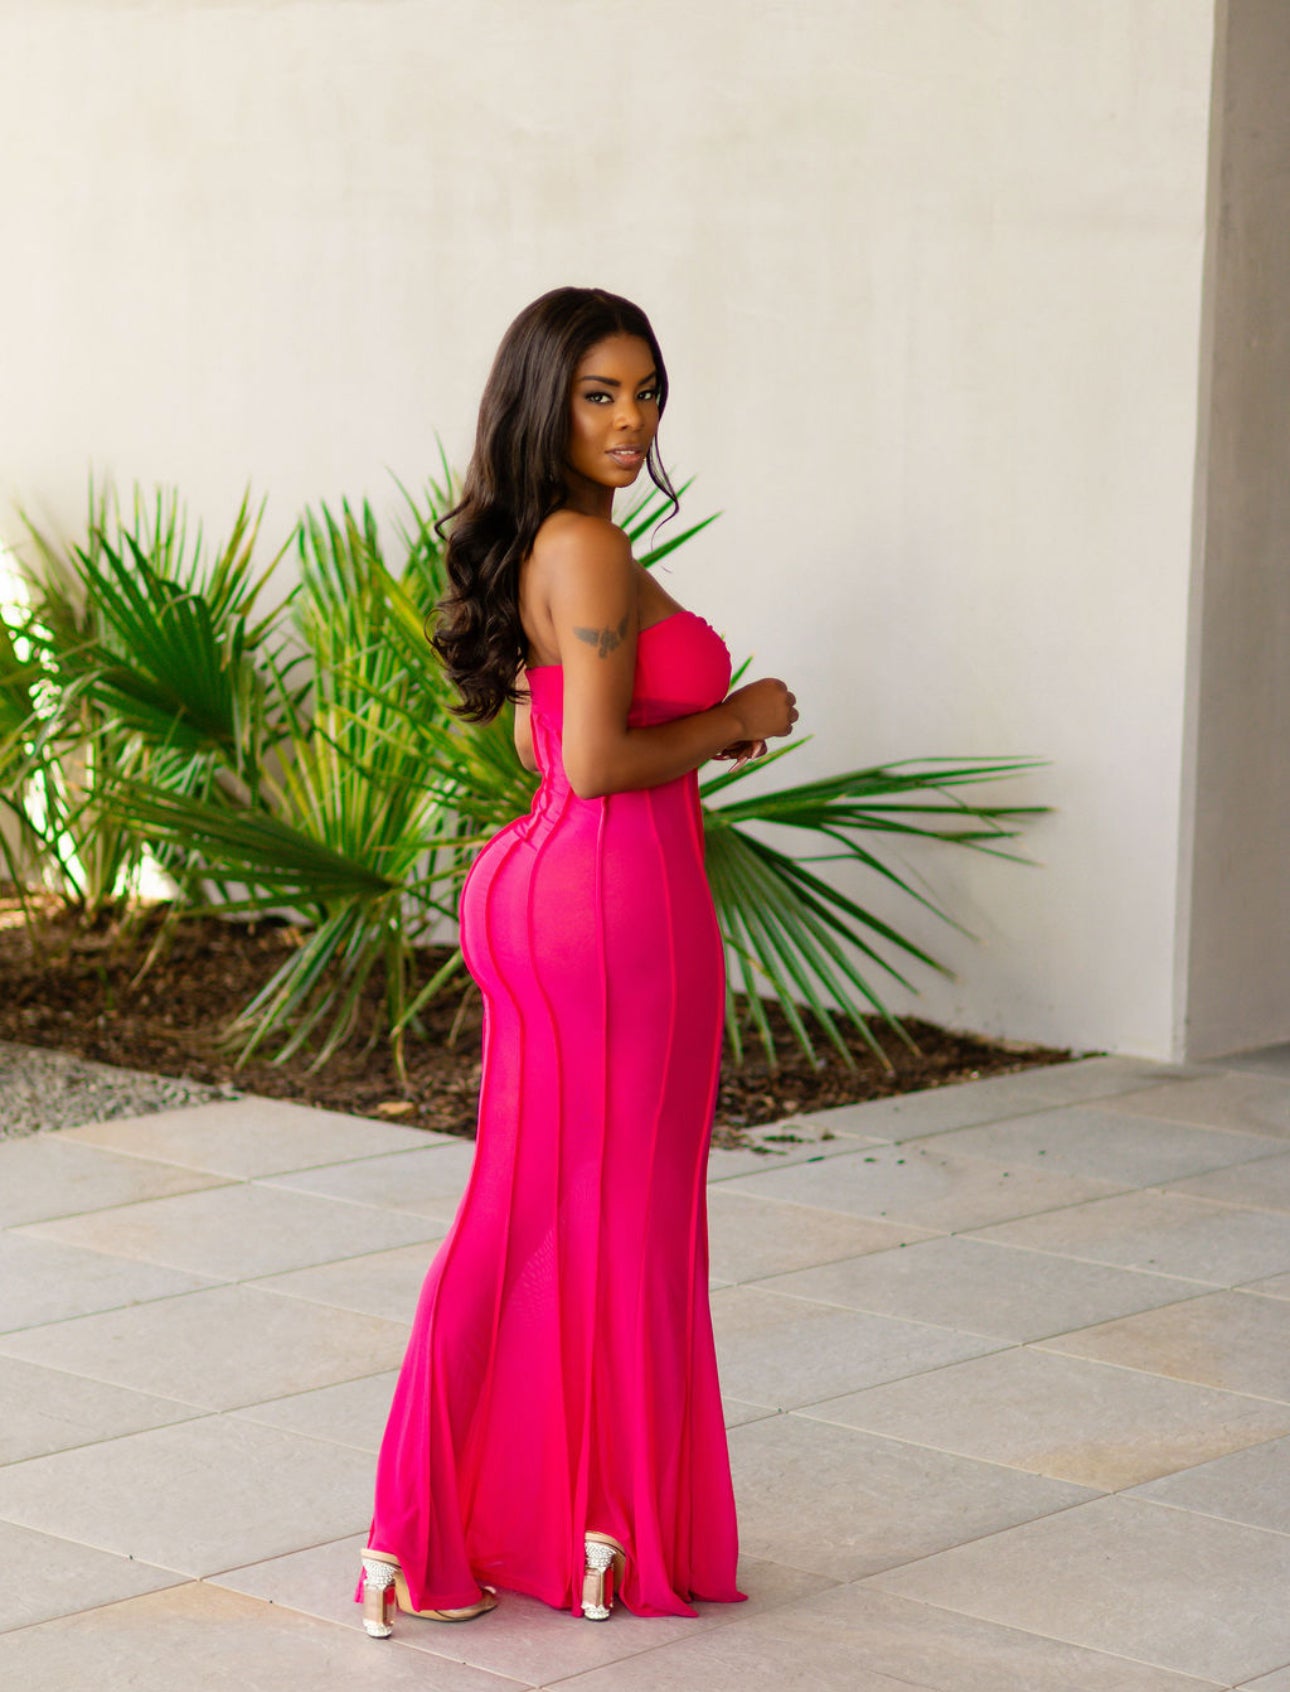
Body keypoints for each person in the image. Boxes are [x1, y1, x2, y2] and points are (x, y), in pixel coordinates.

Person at [355, 286, 798, 1636]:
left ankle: (506, 1530)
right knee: (610, 1217)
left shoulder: (559, 542)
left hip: (551, 891)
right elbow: (600, 765)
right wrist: (735, 717)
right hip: (613, 906)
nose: (630, 419)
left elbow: (543, 746)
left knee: (540, 1206)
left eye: (646, 391)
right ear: (544, 402)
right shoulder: (586, 553)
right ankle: (518, 1523)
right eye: (600, 394)